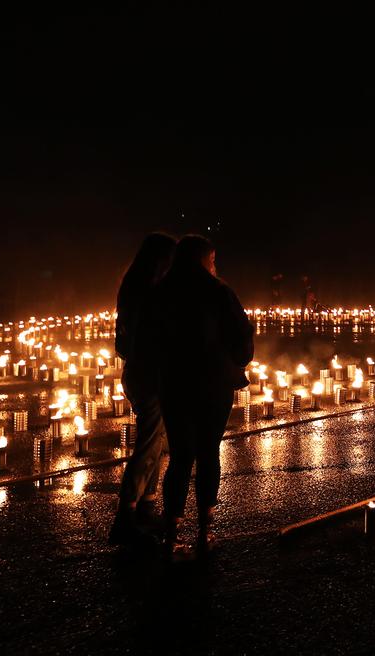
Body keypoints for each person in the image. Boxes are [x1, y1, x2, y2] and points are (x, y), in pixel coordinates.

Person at [144, 235, 254, 554]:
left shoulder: (161, 292)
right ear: (204, 259)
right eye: (213, 259)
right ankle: (205, 531)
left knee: (180, 456)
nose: (214, 265)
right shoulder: (219, 291)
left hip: (174, 383)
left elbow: (149, 337)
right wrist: (235, 361)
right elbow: (242, 333)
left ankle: (170, 534)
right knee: (208, 452)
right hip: (213, 383)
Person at [109, 233, 176, 545]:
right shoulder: (147, 295)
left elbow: (121, 344)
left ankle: (146, 509)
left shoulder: (134, 290)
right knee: (149, 444)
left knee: (158, 442)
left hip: (140, 372)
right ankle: (125, 518)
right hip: (148, 375)